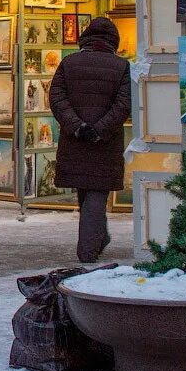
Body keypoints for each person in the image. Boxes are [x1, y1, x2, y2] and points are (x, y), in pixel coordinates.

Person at [48, 16, 131, 263]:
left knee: (86, 189)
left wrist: (78, 127)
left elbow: (56, 98)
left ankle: (96, 237)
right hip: (105, 142)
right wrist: (101, 129)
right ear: (113, 42)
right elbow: (123, 104)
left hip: (75, 140)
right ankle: (88, 249)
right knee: (96, 191)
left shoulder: (68, 63)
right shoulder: (122, 67)